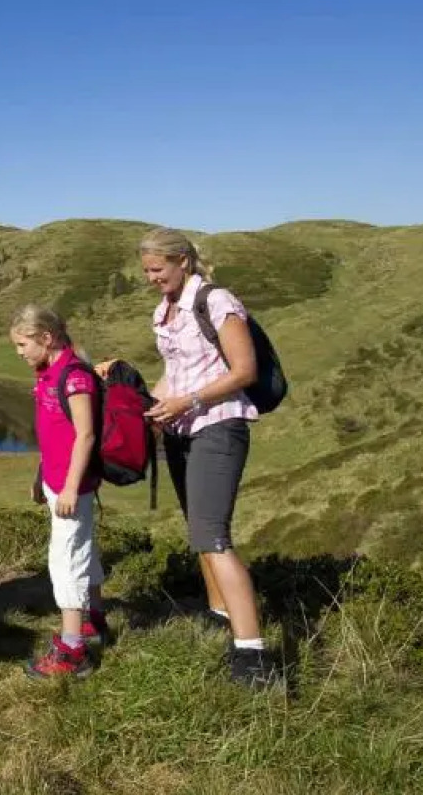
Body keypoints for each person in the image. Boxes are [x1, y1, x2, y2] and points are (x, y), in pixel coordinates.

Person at [139, 226, 280, 689]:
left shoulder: (217, 301)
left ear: (183, 261)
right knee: (200, 534)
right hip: (182, 431)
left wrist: (187, 402)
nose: (151, 278)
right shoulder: (166, 310)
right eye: (146, 271)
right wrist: (152, 407)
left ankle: (254, 656)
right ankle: (221, 618)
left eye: (157, 269)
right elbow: (174, 373)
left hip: (219, 425)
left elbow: (244, 370)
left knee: (214, 536)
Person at [9, 305, 110, 678]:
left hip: (73, 485)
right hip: (56, 481)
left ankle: (72, 651)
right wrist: (41, 476)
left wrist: (69, 486)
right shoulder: (47, 373)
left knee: (66, 561)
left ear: (46, 338)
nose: (19, 352)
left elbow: (85, 435)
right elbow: (53, 434)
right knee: (82, 549)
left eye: (22, 344)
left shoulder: (74, 376)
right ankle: (93, 621)